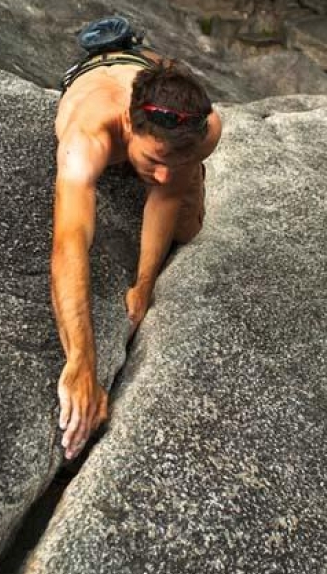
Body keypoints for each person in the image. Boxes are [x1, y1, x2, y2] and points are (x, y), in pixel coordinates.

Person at [52, 37, 222, 460]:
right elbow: (69, 241)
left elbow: (164, 197)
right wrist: (81, 362)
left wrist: (144, 285)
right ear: (130, 124)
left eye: (175, 161)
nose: (163, 175)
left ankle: (142, 52)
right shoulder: (86, 137)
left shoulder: (208, 128)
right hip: (97, 75)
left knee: (188, 229)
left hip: (139, 69)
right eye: (157, 158)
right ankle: (116, 43)